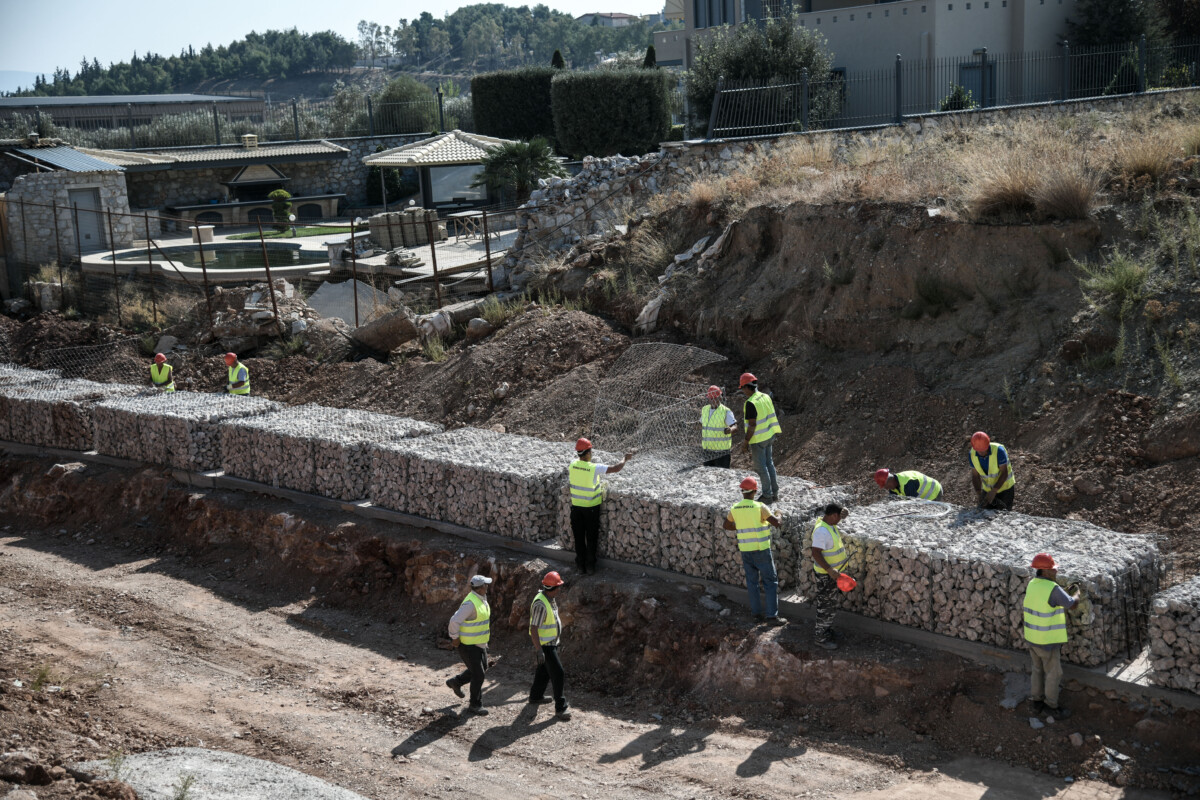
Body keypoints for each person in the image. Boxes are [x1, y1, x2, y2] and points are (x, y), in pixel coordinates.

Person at [1023, 553, 1080, 718]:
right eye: (1053, 570)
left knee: (1037, 670)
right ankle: (1051, 706)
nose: (1056, 572)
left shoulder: (1032, 584)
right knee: (1054, 673)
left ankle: (1036, 702)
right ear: (1045, 571)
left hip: (1032, 638)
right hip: (1047, 641)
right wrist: (1076, 593)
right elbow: (1072, 604)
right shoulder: (1052, 589)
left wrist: (1064, 593)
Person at [723, 476, 783, 624]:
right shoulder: (760, 507)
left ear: (742, 491)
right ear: (755, 491)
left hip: (745, 550)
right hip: (761, 550)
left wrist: (741, 526)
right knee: (770, 582)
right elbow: (776, 523)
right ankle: (771, 616)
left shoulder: (735, 508)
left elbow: (726, 525)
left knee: (752, 583)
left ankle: (756, 614)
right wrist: (779, 514)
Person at [569, 438, 633, 575]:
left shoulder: (572, 465)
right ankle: (590, 567)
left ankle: (580, 567)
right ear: (588, 453)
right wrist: (625, 459)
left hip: (576, 509)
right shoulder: (594, 468)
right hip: (591, 508)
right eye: (591, 451)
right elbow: (616, 468)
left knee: (579, 538)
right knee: (591, 537)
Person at [528, 570, 572, 721]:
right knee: (558, 673)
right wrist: (539, 650)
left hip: (550, 643)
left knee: (544, 671)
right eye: (558, 586)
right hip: (545, 645)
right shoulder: (541, 604)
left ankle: (535, 696)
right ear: (552, 588)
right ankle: (561, 707)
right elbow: (534, 628)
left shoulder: (549, 598)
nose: (559, 589)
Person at [446, 574, 493, 715]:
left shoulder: (481, 599)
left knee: (481, 669)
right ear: (480, 588)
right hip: (468, 645)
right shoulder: (470, 603)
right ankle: (475, 705)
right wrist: (455, 638)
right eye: (486, 585)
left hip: (479, 644)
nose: (487, 587)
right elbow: (454, 621)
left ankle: (456, 682)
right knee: (478, 674)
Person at [810, 503, 851, 650]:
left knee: (831, 605)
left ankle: (826, 630)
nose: (840, 520)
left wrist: (843, 511)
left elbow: (839, 512)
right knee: (825, 607)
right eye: (839, 517)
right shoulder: (822, 531)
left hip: (833, 575)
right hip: (826, 575)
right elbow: (815, 553)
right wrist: (829, 570)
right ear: (833, 516)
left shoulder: (829, 524)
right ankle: (820, 637)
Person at [739, 373, 782, 503]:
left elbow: (752, 425)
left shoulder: (750, 403)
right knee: (769, 464)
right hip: (769, 435)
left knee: (761, 468)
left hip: (758, 439)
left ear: (747, 387)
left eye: (742, 388)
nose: (742, 391)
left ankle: (767, 496)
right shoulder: (765, 396)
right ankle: (774, 493)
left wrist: (746, 442)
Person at [969, 431, 1015, 510]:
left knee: (1003, 515)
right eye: (979, 451)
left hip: (1005, 489)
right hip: (987, 489)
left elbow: (1004, 473)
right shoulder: (972, 454)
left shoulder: (998, 451)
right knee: (983, 513)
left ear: (988, 444)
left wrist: (994, 491)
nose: (981, 452)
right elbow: (975, 475)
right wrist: (979, 493)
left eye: (983, 450)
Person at [699, 385, 736, 468]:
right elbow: (700, 424)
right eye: (711, 398)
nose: (713, 400)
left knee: (722, 476)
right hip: (707, 451)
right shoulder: (705, 409)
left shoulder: (726, 411)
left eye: (715, 398)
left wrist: (730, 430)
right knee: (707, 476)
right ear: (708, 398)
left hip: (722, 453)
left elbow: (735, 426)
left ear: (720, 397)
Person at [873, 468, 942, 501]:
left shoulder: (908, 484)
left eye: (886, 486)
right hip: (924, 497)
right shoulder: (893, 488)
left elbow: (914, 504)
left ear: (890, 480)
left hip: (934, 492)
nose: (887, 488)